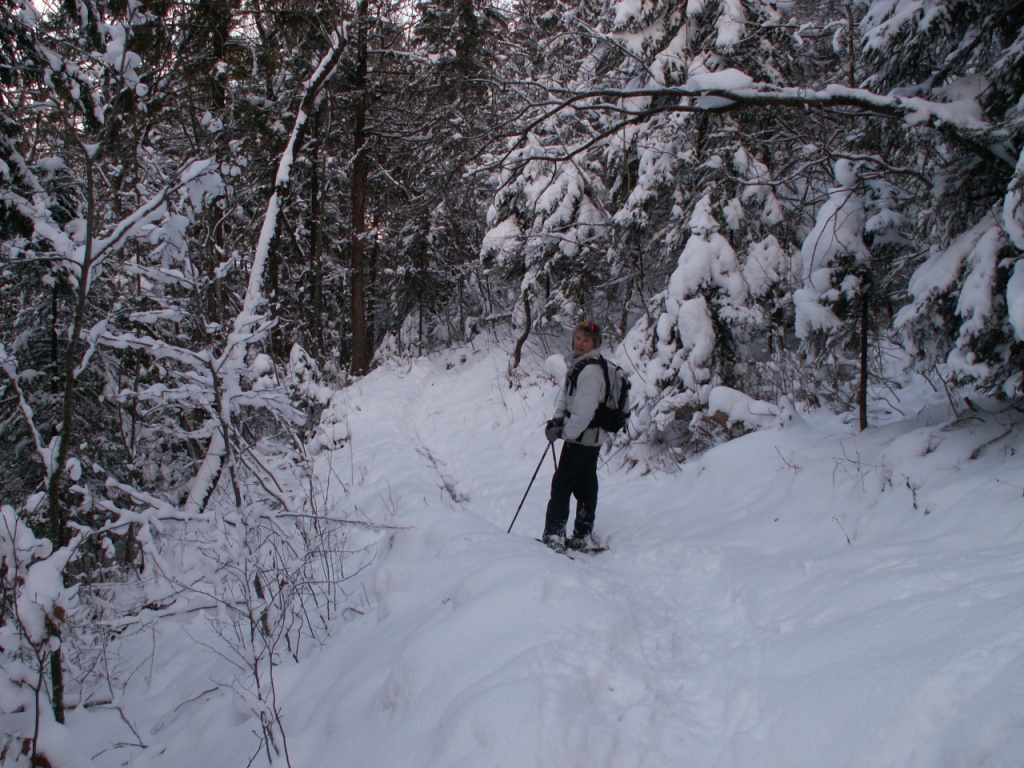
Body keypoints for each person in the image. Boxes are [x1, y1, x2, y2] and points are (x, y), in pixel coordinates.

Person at [541, 321, 608, 552]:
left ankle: (554, 535)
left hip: (582, 438)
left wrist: (566, 433)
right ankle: (582, 535)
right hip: (590, 438)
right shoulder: (580, 365)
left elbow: (583, 412)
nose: (580, 343)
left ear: (594, 344)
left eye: (586, 340)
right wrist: (557, 419)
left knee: (562, 484)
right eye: (578, 338)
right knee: (586, 484)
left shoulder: (590, 372)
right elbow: (567, 397)